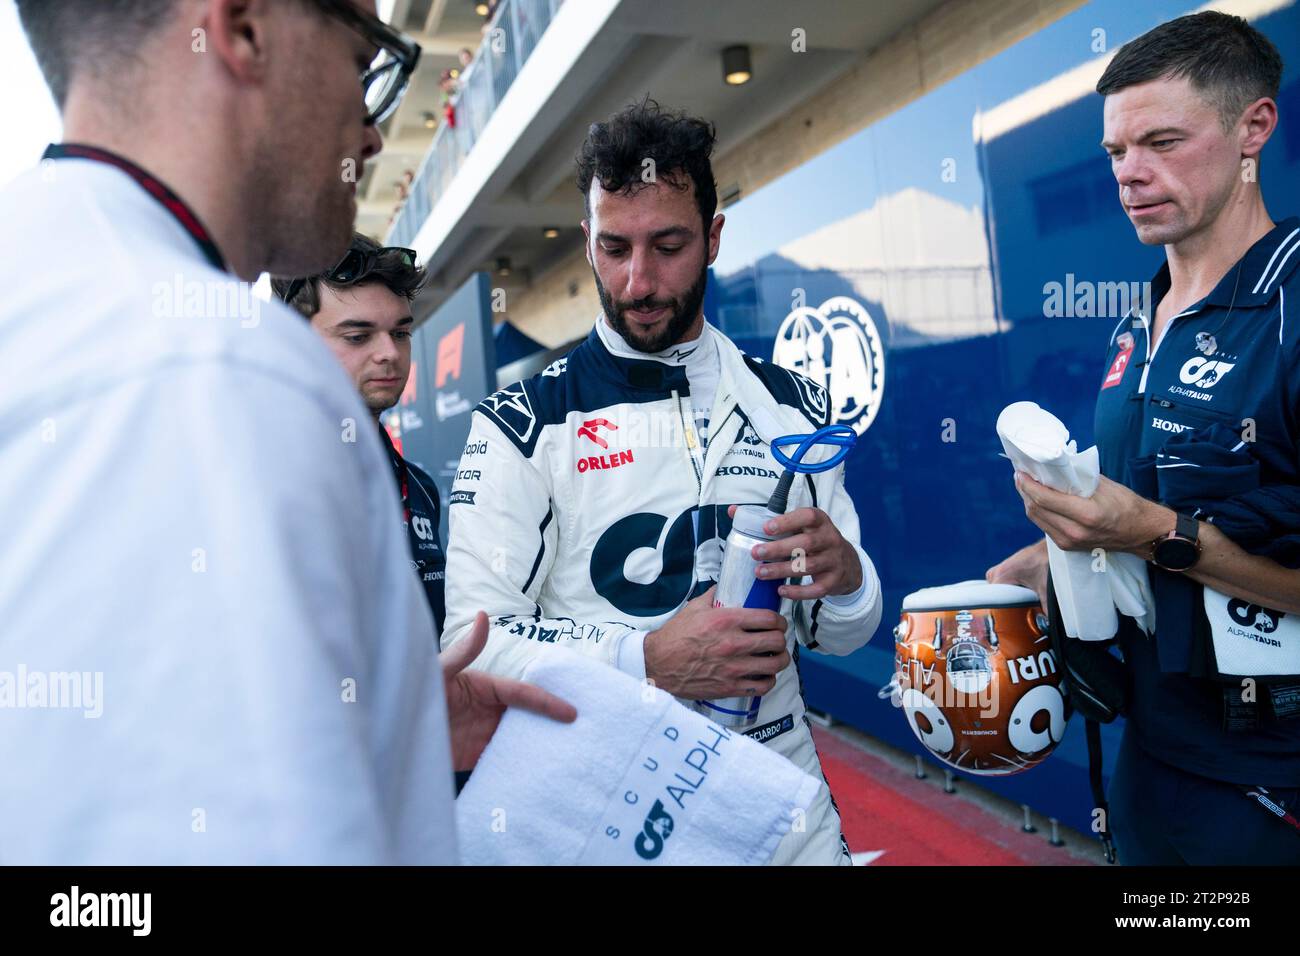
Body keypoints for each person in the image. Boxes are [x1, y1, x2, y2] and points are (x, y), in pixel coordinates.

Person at [0, 0, 571, 865]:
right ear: (243, 30)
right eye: (363, 57)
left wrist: (383, 727)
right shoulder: (226, 371)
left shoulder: (49, 290)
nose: (372, 133)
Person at [441, 99, 883, 865]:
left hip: (780, 793)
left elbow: (838, 634)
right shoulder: (519, 423)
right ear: (586, 240)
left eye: (668, 245)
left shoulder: (793, 405)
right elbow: (474, 649)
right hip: (611, 793)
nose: (638, 281)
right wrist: (642, 659)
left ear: (714, 237)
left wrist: (848, 580)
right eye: (613, 248)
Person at [988, 11, 1300, 865]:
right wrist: (1053, 556)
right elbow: (1139, 502)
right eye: (1117, 152)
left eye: (1161, 141)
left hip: (1275, 788)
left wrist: (1157, 537)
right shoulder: (1139, 316)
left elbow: (1156, 523)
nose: (1131, 175)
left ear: (1254, 128)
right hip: (1148, 765)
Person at [274, 235, 446, 632]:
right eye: (357, 336)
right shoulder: (259, 485)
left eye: (400, 333)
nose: (389, 352)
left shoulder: (419, 488)